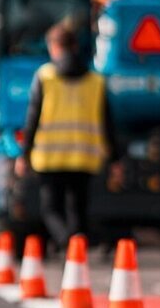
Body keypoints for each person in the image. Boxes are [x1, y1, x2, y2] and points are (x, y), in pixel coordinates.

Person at [16, 22, 121, 250]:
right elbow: (107, 124)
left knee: (51, 209)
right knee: (78, 209)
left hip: (50, 158)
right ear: (74, 46)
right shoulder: (96, 81)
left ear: (54, 47)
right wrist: (115, 160)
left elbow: (32, 119)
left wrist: (24, 155)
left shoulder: (45, 77)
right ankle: (77, 248)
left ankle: (67, 243)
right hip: (84, 158)